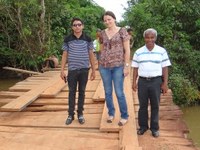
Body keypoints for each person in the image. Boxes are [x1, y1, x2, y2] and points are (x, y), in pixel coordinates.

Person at [131, 28, 171, 137]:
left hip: (156, 81)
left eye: (152, 37)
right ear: (144, 38)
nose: (150, 40)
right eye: (147, 37)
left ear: (155, 38)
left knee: (155, 105)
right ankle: (143, 127)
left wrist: (165, 83)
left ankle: (154, 128)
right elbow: (135, 68)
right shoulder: (138, 52)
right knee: (142, 105)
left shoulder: (161, 51)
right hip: (142, 81)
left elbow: (165, 68)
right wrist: (134, 82)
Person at [60, 17, 96, 125]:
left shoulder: (88, 39)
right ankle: (70, 114)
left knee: (82, 92)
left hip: (84, 70)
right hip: (72, 70)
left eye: (79, 25)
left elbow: (91, 54)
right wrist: (62, 70)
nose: (77, 27)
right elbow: (65, 54)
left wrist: (94, 70)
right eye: (75, 25)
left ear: (82, 26)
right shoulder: (67, 39)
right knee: (71, 92)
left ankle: (80, 114)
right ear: (72, 27)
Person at [99, 11, 130, 126]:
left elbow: (127, 50)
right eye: (105, 20)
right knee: (107, 92)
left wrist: (126, 66)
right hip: (104, 67)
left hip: (118, 66)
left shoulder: (122, 31)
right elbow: (101, 49)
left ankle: (124, 115)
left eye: (109, 19)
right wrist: (99, 63)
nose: (107, 22)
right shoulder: (102, 33)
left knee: (119, 92)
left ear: (114, 19)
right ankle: (111, 113)